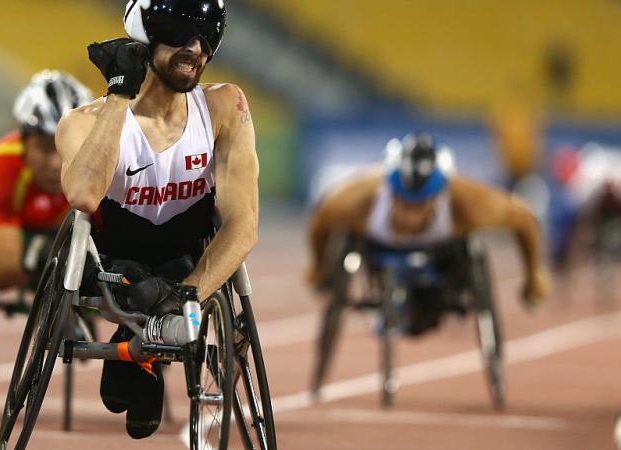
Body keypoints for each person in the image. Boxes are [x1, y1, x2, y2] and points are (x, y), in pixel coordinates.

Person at [55, 0, 258, 439]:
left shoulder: (225, 108)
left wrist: (186, 296)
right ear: (144, 34)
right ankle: (135, 355)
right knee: (134, 285)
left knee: (169, 280)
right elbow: (84, 196)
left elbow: (243, 225)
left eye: (206, 36)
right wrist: (118, 96)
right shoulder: (80, 122)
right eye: (179, 32)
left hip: (184, 267)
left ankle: (137, 358)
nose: (194, 48)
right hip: (111, 267)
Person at [307, 132, 550, 333]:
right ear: (390, 192)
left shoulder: (465, 200)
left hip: (442, 258)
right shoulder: (359, 199)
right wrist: (319, 267)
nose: (410, 216)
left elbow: (525, 219)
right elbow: (321, 221)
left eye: (420, 205)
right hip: (378, 253)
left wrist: (533, 276)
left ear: (437, 197)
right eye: (403, 202)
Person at [0, 70, 93, 291]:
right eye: (46, 148)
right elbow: (1, 273)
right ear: (24, 144)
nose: (56, 163)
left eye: (67, 146)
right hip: (24, 237)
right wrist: (42, 253)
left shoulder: (107, 165)